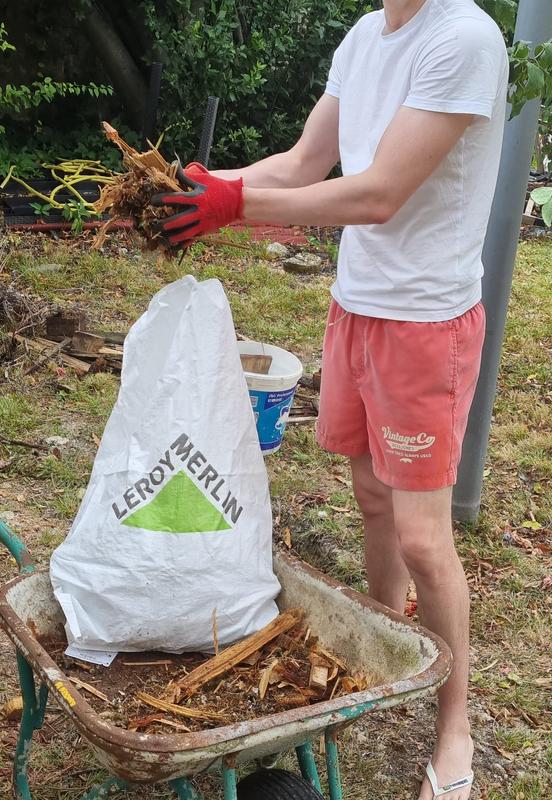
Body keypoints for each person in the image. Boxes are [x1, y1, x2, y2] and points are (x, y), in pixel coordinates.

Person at [152, 1, 509, 797]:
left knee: (423, 535)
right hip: (358, 304)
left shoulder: (464, 37)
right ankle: (386, 655)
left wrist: (235, 207)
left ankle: (455, 733)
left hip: (425, 321)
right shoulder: (364, 35)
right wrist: (203, 188)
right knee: (370, 497)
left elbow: (378, 193)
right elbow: (305, 162)